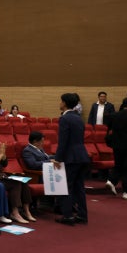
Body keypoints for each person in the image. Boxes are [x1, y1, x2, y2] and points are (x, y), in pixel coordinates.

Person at [52, 92, 90, 225]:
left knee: (66, 186)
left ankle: (67, 216)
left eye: (61, 101)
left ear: (64, 103)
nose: (59, 103)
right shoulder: (79, 118)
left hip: (71, 157)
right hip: (82, 155)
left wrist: (58, 158)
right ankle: (82, 215)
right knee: (79, 187)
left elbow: (63, 141)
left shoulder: (65, 118)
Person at [104, 97, 127, 200]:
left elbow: (108, 127)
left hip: (116, 145)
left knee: (118, 164)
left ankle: (111, 181)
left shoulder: (114, 115)